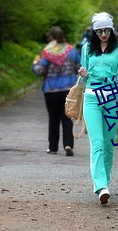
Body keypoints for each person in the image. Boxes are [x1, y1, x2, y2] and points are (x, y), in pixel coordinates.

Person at [78, 12, 118, 204]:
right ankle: (100, 186)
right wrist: (83, 73)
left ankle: (105, 182)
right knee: (97, 143)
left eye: (107, 30)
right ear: (94, 31)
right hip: (92, 99)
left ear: (112, 29)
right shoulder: (86, 49)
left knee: (109, 145)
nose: (103, 34)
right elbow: (84, 78)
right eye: (99, 31)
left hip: (112, 100)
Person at [32, 26, 81, 156]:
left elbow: (40, 71)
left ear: (51, 38)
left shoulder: (47, 52)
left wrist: (35, 64)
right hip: (68, 90)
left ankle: (53, 147)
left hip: (51, 90)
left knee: (53, 119)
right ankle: (68, 144)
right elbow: (79, 68)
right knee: (67, 118)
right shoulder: (72, 51)